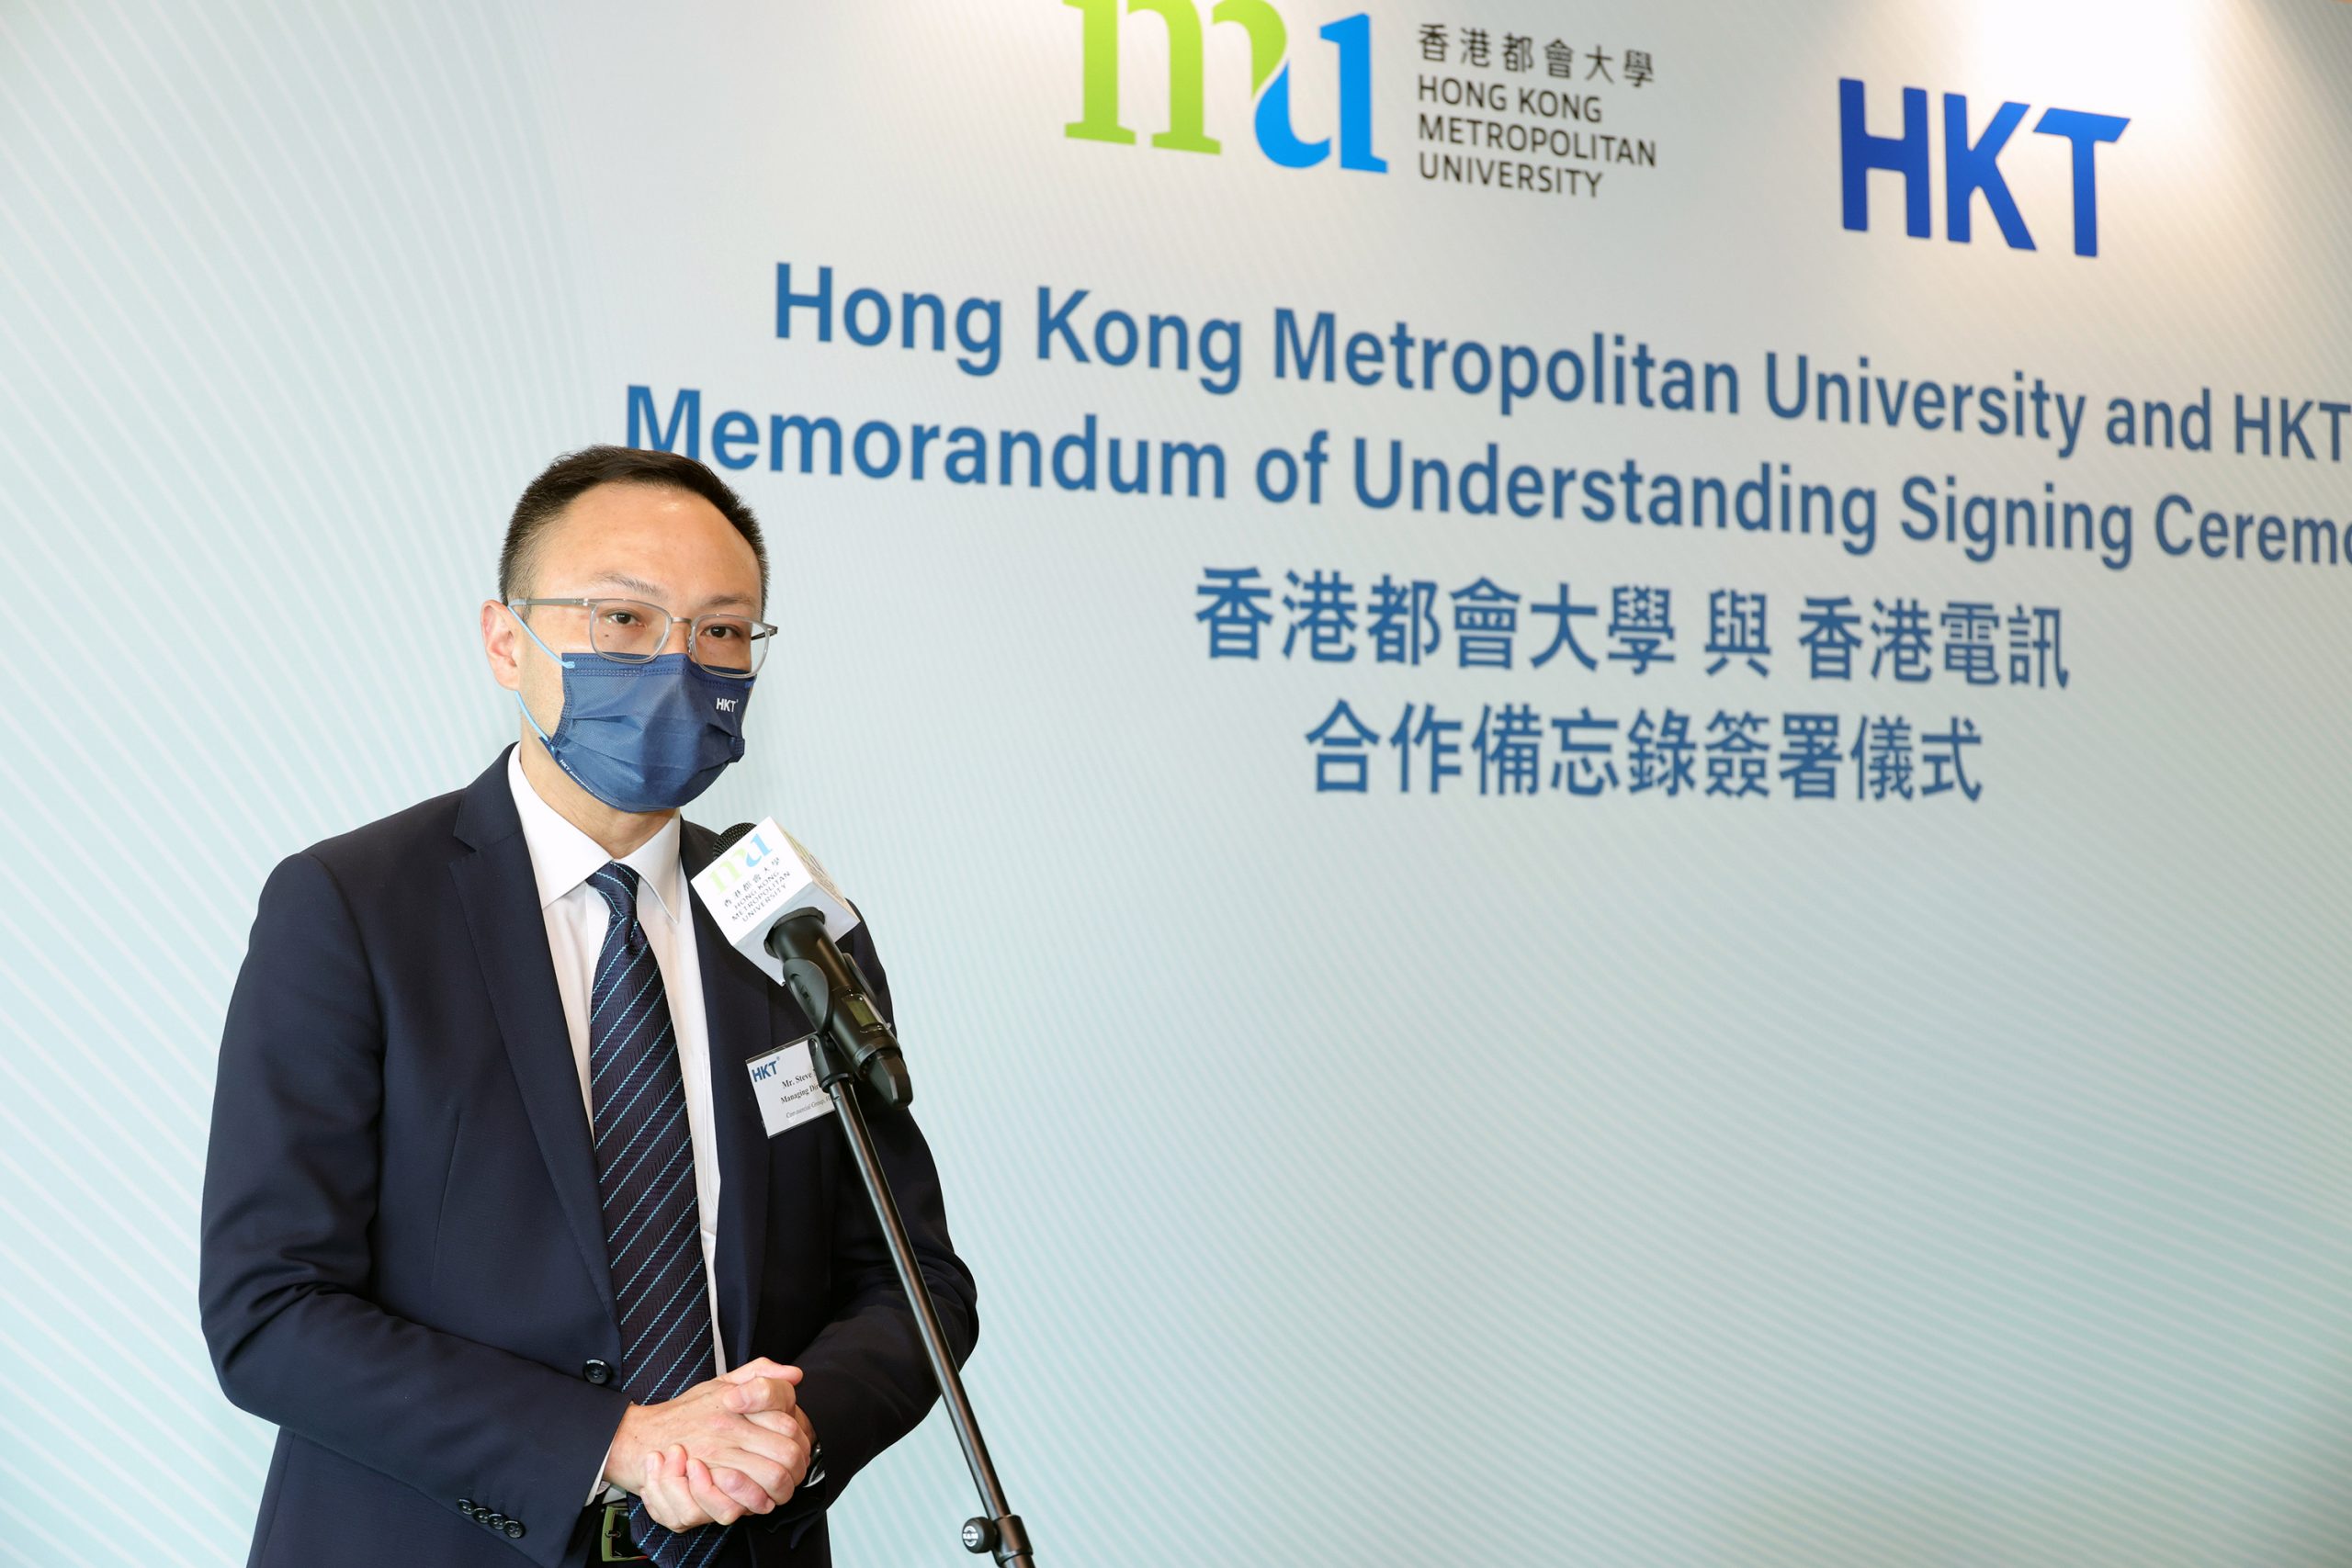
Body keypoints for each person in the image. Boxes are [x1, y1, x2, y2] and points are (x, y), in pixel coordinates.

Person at [199, 446, 977, 1568]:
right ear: (505, 640)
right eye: (622, 619)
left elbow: (910, 1280)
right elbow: (271, 1309)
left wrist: (790, 1432)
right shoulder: (354, 907)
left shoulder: (791, 927)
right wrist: (616, 1442)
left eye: (721, 631)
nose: (676, 662)